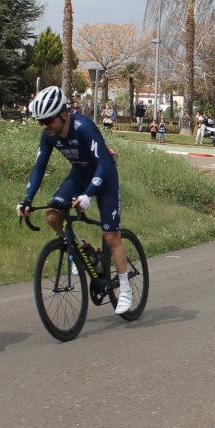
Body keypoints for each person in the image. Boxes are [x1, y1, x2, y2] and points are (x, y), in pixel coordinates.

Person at [16, 86, 134, 314]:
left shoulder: (83, 127)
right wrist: (27, 200)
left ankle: (126, 290)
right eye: (40, 122)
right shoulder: (48, 135)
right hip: (80, 176)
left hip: (105, 177)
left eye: (48, 120)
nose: (45, 126)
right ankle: (83, 251)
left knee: (111, 236)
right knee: (52, 214)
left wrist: (89, 194)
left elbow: (105, 164)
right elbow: (39, 167)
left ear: (63, 114)